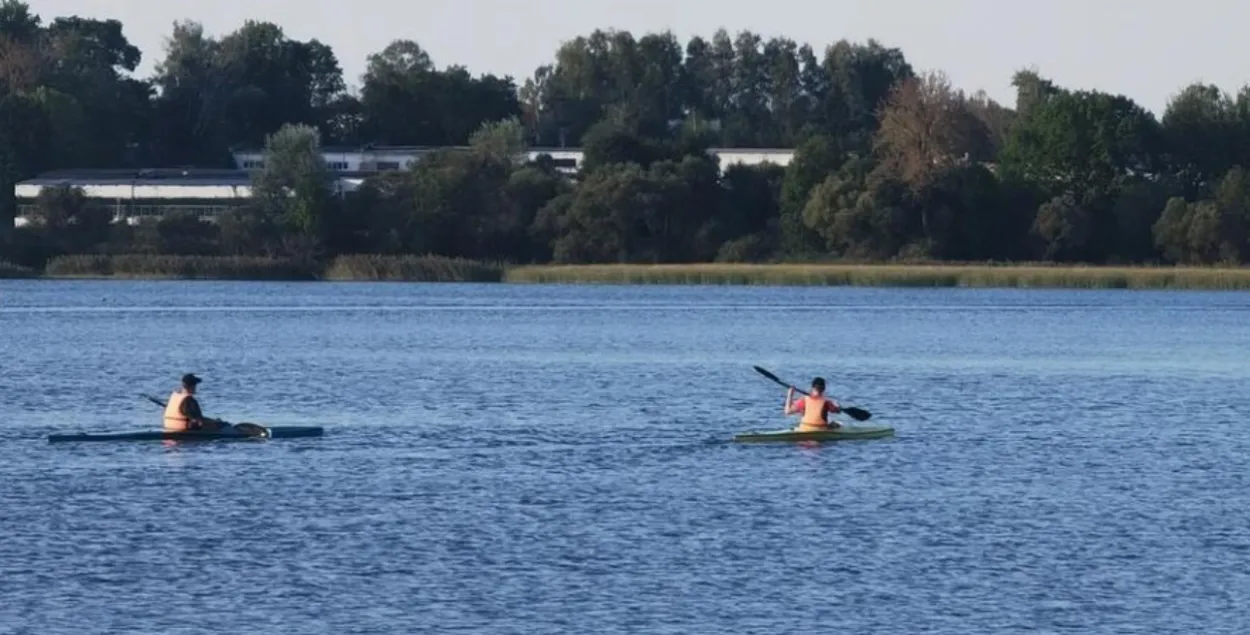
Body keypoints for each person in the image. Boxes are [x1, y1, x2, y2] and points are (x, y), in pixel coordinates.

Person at [162, 373, 239, 434]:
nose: (196, 387)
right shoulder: (188, 400)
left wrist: (214, 421)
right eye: (195, 385)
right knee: (225, 427)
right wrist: (218, 423)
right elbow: (199, 422)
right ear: (192, 386)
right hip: (184, 433)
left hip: (170, 429)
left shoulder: (175, 396)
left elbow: (194, 417)